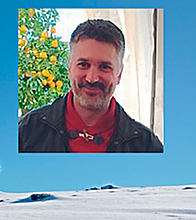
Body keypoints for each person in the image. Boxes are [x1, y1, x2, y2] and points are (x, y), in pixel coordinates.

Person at [18, 19, 163, 153]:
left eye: (105, 67)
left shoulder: (147, 146)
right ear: (70, 68)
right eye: (83, 65)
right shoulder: (25, 132)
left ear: (119, 74)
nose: (92, 78)